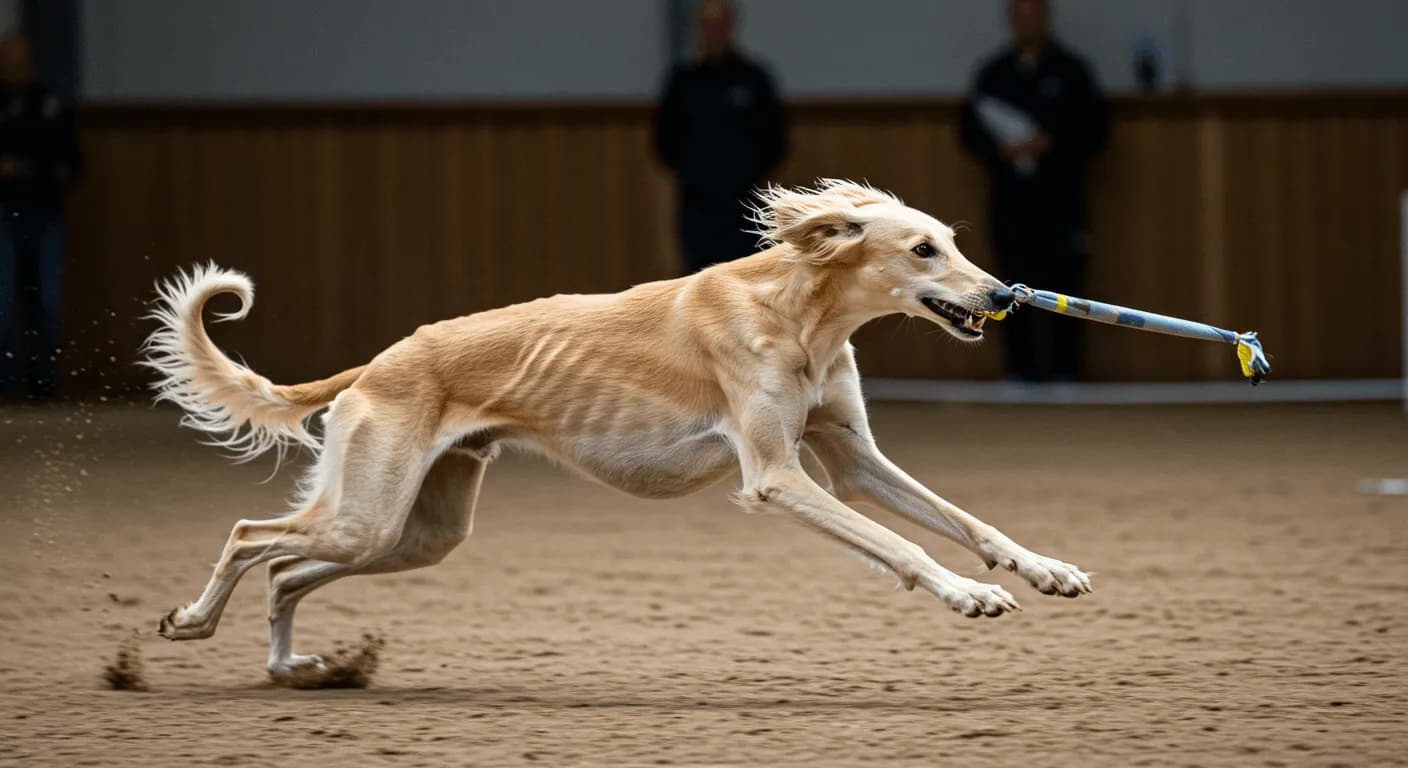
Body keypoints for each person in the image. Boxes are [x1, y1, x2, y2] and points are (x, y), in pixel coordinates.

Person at [960, 0, 1107, 382]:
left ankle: (1066, 371)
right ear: (1011, 21)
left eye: (1033, 15)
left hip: (1061, 198)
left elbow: (1097, 130)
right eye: (1019, 16)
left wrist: (1051, 142)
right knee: (1009, 282)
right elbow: (968, 132)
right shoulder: (994, 73)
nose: (1026, 23)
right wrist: (1001, 150)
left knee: (1065, 280)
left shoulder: (1072, 72)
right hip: (1011, 200)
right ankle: (1020, 371)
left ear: (1045, 18)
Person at [655, 0, 787, 274]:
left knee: (745, 276)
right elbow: (664, 139)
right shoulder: (684, 81)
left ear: (731, 26)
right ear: (700, 28)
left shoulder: (753, 78)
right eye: (709, 25)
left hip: (744, 200)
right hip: (697, 203)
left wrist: (745, 172)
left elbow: (775, 138)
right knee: (700, 278)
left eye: (721, 24)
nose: (716, 31)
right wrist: (694, 173)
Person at [0, 35, 80, 399]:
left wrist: (28, 168)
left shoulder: (50, 103)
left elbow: (70, 162)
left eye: (22, 61)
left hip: (45, 213)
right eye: (9, 61)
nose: (16, 68)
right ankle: (6, 385)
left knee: (46, 302)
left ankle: (44, 384)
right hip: (3, 214)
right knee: (3, 302)